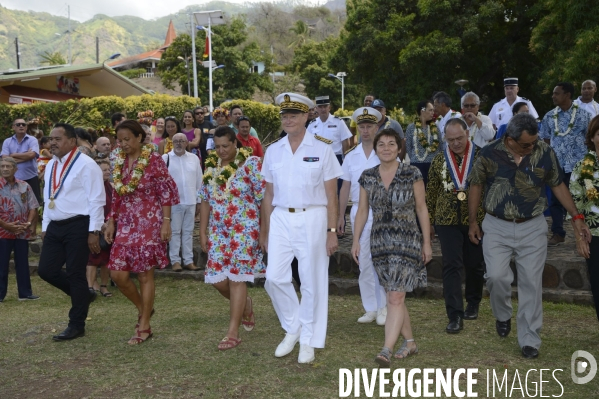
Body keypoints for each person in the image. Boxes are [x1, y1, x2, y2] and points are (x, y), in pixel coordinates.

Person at [467, 113, 591, 359]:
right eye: (526, 144)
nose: (532, 147)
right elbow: (476, 185)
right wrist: (472, 221)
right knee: (496, 277)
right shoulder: (489, 153)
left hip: (533, 225)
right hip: (497, 225)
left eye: (534, 142)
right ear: (510, 140)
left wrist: (576, 216)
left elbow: (557, 184)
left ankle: (529, 339)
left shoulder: (544, 152)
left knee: (531, 284)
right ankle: (502, 315)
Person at [260, 93, 342, 364]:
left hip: (314, 217)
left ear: (307, 115)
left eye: (293, 115)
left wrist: (332, 231)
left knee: (311, 280)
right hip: (282, 217)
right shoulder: (274, 150)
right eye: (284, 116)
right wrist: (266, 230)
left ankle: (308, 339)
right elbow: (269, 195)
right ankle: (293, 326)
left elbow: (332, 196)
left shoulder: (323, 149)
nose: (288, 120)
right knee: (274, 278)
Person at [351, 128, 431, 367]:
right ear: (375, 149)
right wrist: (355, 240)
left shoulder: (412, 173)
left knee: (395, 296)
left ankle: (386, 349)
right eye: (381, 144)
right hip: (380, 242)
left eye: (391, 144)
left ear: (399, 148)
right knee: (394, 294)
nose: (386, 148)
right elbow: (363, 210)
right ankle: (410, 342)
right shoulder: (367, 176)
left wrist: (427, 242)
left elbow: (421, 208)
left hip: (407, 241)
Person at [104, 120, 179, 345]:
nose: (123, 144)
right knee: (118, 274)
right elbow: (117, 194)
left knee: (146, 274)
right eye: (120, 140)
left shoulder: (153, 160)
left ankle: (144, 324)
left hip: (150, 221)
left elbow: (165, 192)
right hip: (126, 221)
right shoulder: (118, 161)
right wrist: (110, 220)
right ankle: (143, 308)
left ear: (139, 137)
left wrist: (166, 222)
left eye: (127, 139)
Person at [199, 126, 265, 350]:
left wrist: (264, 230)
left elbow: (263, 197)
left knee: (237, 279)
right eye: (217, 147)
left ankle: (232, 332)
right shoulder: (211, 167)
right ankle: (245, 305)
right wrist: (202, 230)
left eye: (225, 146)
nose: (221, 151)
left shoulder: (251, 164)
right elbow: (205, 199)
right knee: (217, 280)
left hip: (244, 230)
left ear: (236, 143)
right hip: (218, 232)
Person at [38, 123, 106, 341]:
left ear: (72, 141)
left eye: (58, 139)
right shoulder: (50, 165)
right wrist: (46, 225)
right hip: (55, 225)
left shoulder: (87, 165)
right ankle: (84, 295)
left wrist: (94, 230)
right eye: (51, 139)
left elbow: (97, 199)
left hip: (79, 224)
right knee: (46, 270)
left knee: (76, 274)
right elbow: (49, 196)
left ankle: (76, 324)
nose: (53, 143)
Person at [426, 119, 484, 334]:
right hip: (446, 220)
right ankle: (454, 315)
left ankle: (473, 302)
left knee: (474, 264)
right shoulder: (440, 159)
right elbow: (431, 192)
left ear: (467, 133)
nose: (456, 143)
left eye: (459, 138)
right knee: (451, 265)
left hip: (476, 220)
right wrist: (430, 222)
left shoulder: (482, 157)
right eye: (451, 140)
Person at [337, 107, 387, 325]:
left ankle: (385, 306)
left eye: (370, 126)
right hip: (358, 210)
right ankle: (371, 308)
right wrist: (340, 216)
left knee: (383, 258)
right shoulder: (350, 157)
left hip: (383, 210)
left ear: (377, 128)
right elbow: (344, 188)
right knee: (363, 260)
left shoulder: (385, 153)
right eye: (362, 127)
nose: (366, 131)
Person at [539, 82, 592, 246]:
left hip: (579, 166)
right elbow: (546, 140)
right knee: (556, 201)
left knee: (582, 200)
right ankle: (558, 233)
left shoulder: (584, 115)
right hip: (558, 166)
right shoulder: (549, 116)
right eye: (553, 93)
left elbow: (590, 139)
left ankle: (586, 232)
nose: (553, 96)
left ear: (567, 95)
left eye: (557, 93)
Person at [568, 115, 599, 322]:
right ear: (592, 137)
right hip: (594, 236)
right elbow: (575, 206)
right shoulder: (582, 167)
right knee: (597, 284)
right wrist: (579, 236)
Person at [0, 157, 40, 303]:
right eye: (2, 166)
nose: (5, 169)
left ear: (15, 169)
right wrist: (6, 225)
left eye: (8, 166)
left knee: (23, 263)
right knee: (1, 263)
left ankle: (25, 293)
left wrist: (28, 223)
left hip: (22, 231)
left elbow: (33, 206)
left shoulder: (24, 186)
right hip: (2, 231)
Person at [162, 133, 202, 272]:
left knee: (188, 232)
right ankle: (175, 261)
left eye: (182, 141)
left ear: (187, 143)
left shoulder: (194, 158)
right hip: (173, 203)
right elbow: (161, 183)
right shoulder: (166, 158)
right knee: (174, 232)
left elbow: (199, 180)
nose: (179, 143)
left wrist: (199, 201)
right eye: (176, 141)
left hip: (191, 200)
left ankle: (189, 260)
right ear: (172, 143)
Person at [86, 159, 113, 298]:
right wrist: (99, 224)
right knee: (93, 258)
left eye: (109, 169)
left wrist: (109, 222)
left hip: (109, 227)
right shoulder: (91, 187)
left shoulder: (111, 187)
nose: (107, 172)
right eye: (104, 170)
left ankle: (103, 286)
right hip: (93, 227)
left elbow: (115, 207)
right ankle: (90, 287)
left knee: (105, 259)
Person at [1, 118, 42, 206]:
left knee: (34, 205)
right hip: (13, 178)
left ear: (26, 127)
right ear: (13, 127)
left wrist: (12, 155)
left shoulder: (32, 140)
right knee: (14, 203)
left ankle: (31, 220)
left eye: (23, 124)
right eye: (18, 124)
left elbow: (32, 155)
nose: (21, 126)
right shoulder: (7, 141)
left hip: (30, 177)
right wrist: (25, 155)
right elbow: (5, 158)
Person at [306, 95, 353, 164]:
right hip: (317, 159)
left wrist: (346, 161)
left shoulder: (339, 122)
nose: (323, 109)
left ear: (329, 108)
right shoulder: (312, 124)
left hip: (335, 158)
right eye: (320, 107)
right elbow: (308, 143)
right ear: (316, 109)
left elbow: (345, 142)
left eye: (325, 106)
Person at [405, 100, 441, 185]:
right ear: (422, 111)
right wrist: (415, 158)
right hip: (416, 165)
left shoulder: (435, 127)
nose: (433, 112)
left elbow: (440, 146)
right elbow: (408, 147)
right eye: (430, 110)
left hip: (433, 165)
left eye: (433, 110)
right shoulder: (411, 127)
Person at [193, 106, 214, 170]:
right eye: (197, 113)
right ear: (194, 115)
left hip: (207, 153)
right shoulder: (193, 125)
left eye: (201, 113)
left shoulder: (209, 124)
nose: (200, 115)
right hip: (196, 153)